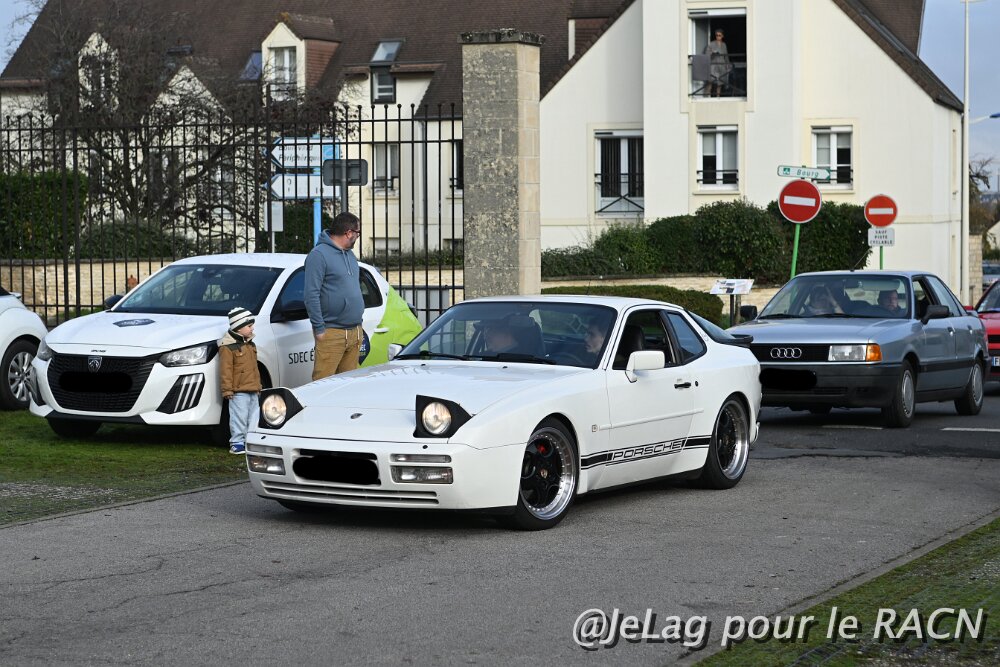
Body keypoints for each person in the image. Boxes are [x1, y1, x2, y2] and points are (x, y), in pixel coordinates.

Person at [304, 211, 366, 381]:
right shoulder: (318, 255)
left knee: (347, 387)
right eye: (358, 233)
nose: (358, 237)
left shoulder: (350, 255)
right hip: (331, 333)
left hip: (354, 332)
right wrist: (319, 329)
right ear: (349, 233)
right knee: (323, 385)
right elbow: (311, 294)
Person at [219, 307, 262, 455]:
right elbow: (225, 370)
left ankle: (251, 440)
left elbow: (254, 368)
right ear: (238, 327)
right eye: (249, 326)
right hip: (238, 391)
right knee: (239, 417)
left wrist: (258, 386)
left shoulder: (250, 345)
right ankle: (237, 442)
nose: (252, 328)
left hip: (253, 389)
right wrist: (227, 389)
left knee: (254, 417)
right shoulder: (227, 347)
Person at [703, 29, 732, 97]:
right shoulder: (711, 44)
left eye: (719, 35)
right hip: (713, 65)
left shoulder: (724, 45)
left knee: (720, 83)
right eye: (716, 35)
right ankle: (707, 97)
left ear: (722, 36)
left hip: (721, 65)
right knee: (710, 82)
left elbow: (726, 56)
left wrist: (728, 64)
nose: (718, 37)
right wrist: (712, 53)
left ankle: (718, 98)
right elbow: (706, 54)